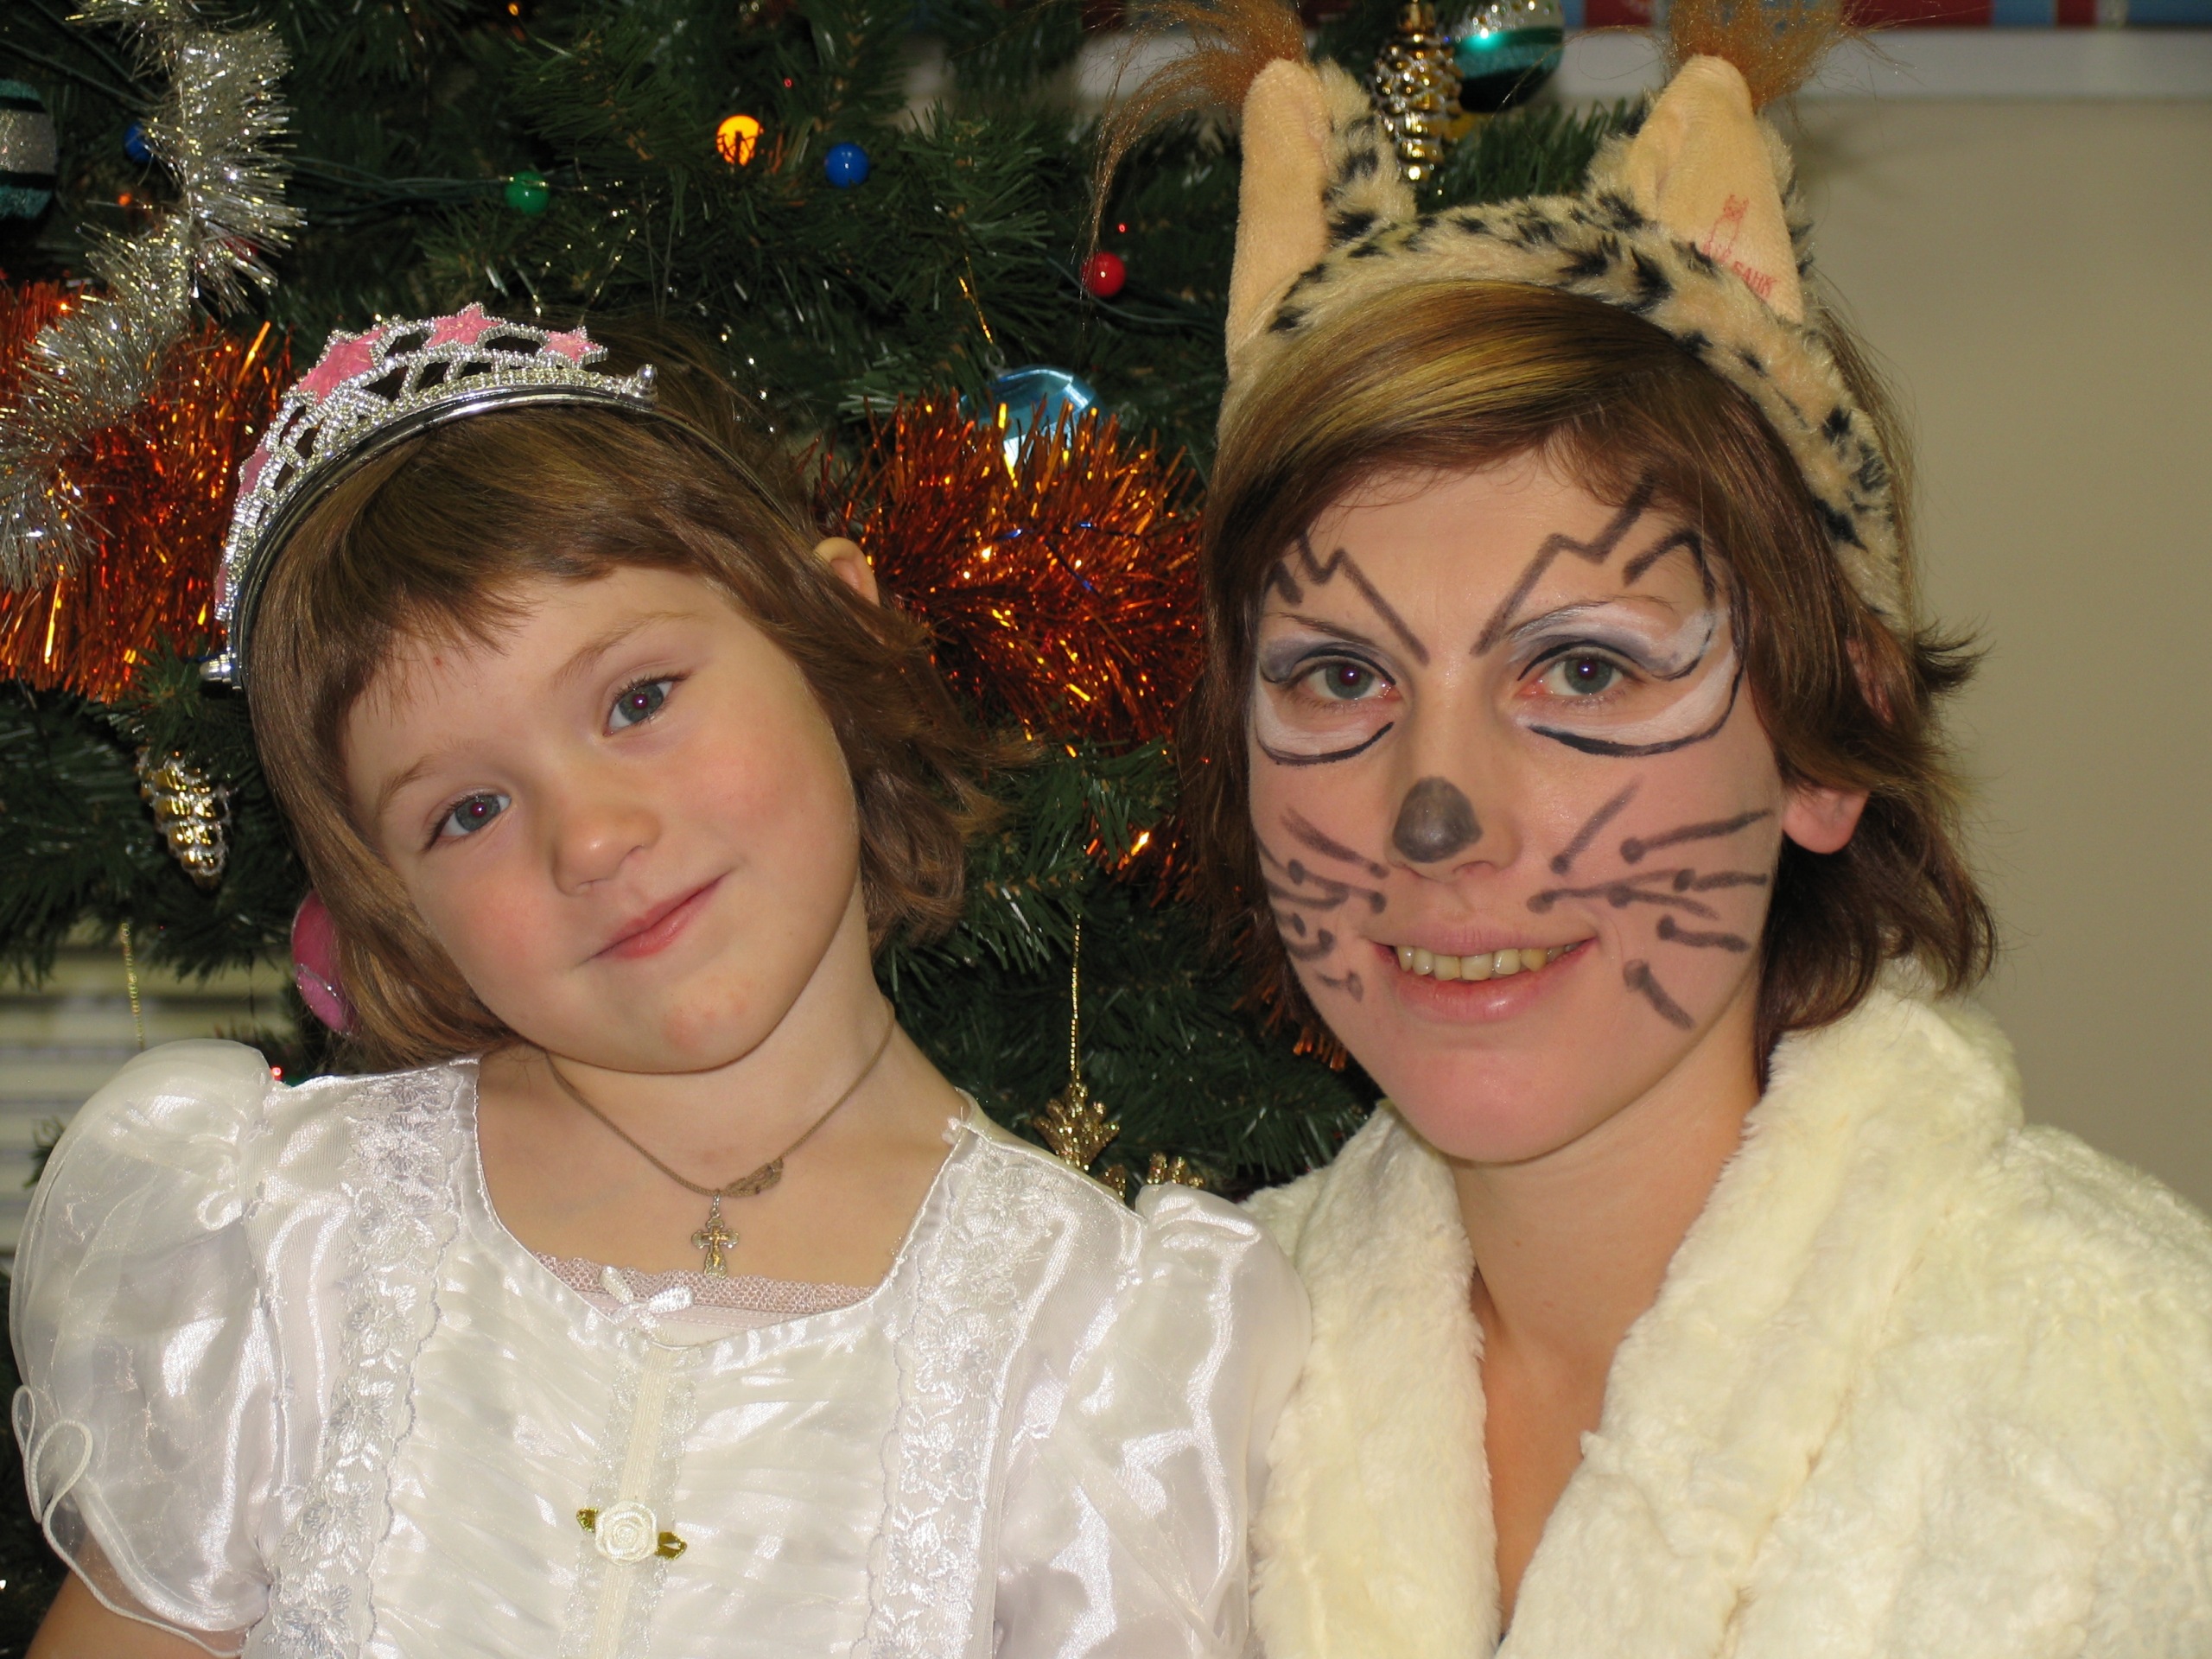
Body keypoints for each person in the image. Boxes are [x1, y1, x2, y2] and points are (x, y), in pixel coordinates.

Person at [1117, 0, 2212, 1651]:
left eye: (1583, 668)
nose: (1436, 816)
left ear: (1826, 745)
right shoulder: (1182, 1404)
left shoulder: (2134, 1411)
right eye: (1341, 677)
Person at [10, 309, 1305, 1658]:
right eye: (468, 811)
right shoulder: (291, 1241)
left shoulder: (1108, 1350)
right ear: (397, 910)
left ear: (833, 635)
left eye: (638, 700)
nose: (590, 840)